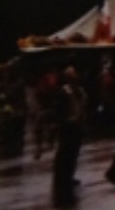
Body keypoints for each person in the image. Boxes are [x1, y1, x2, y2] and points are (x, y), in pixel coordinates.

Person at [50, 68, 85, 209]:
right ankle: (61, 180)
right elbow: (58, 110)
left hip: (77, 127)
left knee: (73, 154)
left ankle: (68, 176)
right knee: (64, 154)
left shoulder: (80, 91)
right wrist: (62, 122)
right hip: (67, 127)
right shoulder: (63, 92)